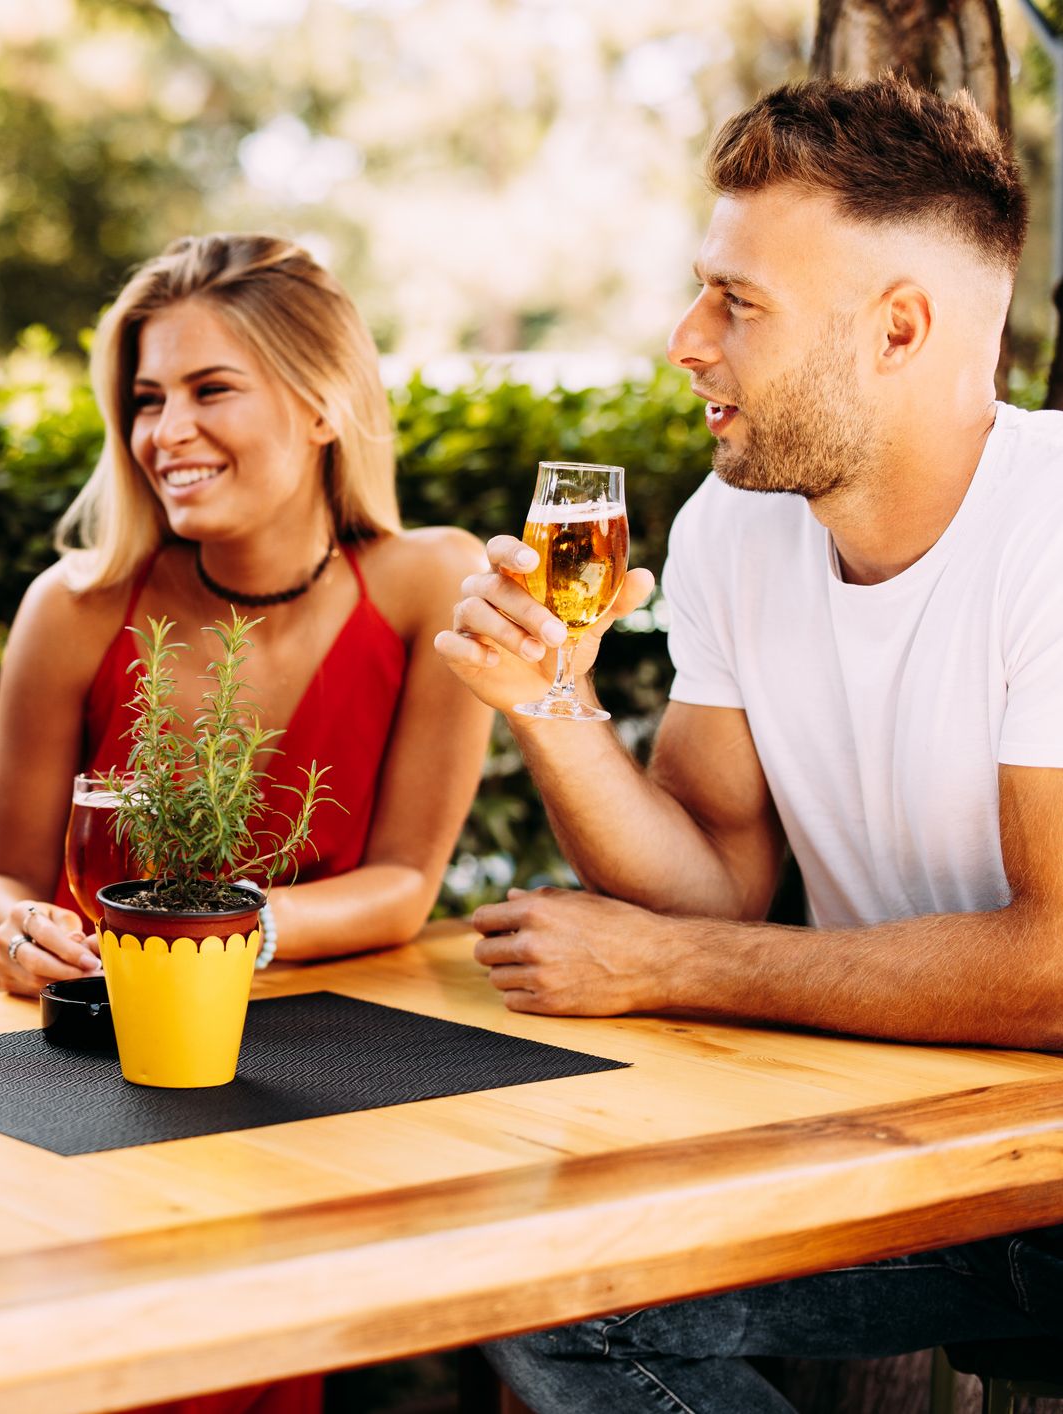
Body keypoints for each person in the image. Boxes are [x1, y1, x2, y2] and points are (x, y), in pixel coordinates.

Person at [435, 78, 1063, 1409]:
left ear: (900, 327)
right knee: (545, 1271)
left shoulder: (1052, 529)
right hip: (932, 1155)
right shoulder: (737, 528)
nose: (684, 339)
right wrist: (550, 700)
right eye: (699, 289)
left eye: (739, 300)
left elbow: (1057, 965)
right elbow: (710, 867)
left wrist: (666, 964)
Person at [0, 233, 491, 996]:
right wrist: (18, 932)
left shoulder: (432, 583)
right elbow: (3, 880)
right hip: (87, 1019)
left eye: (210, 390)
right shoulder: (73, 606)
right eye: (149, 400)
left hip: (322, 1023)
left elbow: (406, 880)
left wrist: (232, 934)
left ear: (323, 407)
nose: (165, 432)